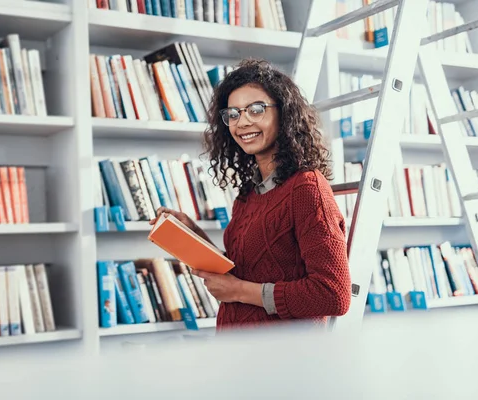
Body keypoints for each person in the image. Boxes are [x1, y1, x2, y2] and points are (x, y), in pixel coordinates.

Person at [149, 58, 351, 332]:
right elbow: (247, 271)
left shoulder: (307, 189)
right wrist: (192, 232)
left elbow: (332, 294)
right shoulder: (248, 195)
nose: (242, 122)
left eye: (256, 110)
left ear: (285, 114)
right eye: (233, 114)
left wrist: (239, 291)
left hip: (282, 359)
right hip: (238, 350)